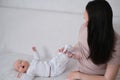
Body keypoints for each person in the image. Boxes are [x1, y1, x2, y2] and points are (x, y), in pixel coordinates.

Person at [59, 0, 120, 80]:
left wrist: (78, 75)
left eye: (88, 22)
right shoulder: (84, 28)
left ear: (98, 24)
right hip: (80, 72)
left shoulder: (117, 43)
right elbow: (81, 45)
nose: (85, 25)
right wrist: (71, 50)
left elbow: (108, 78)